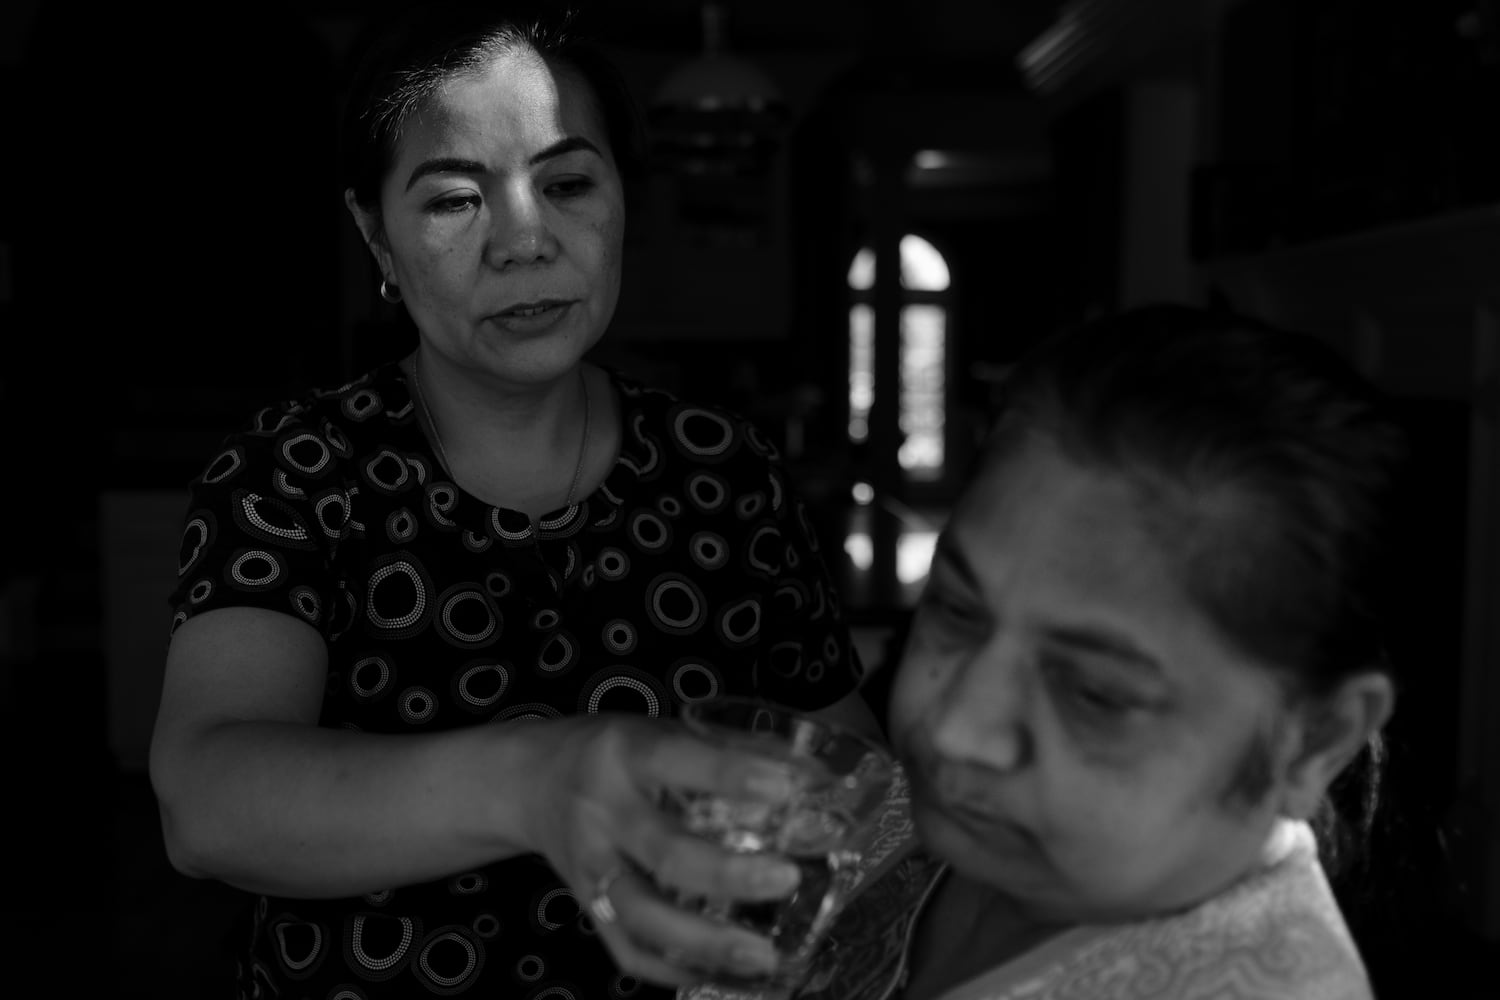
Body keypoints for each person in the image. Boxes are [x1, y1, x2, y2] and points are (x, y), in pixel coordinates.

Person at [146, 4, 879, 997]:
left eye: (570, 183)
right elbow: (207, 800)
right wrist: (540, 778)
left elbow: (848, 786)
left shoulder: (724, 473)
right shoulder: (297, 471)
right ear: (376, 234)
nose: (525, 241)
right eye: (454, 200)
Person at [688, 303, 1407, 1000]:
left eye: (1094, 691)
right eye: (958, 611)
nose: (954, 729)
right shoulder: (904, 826)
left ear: (1315, 740)